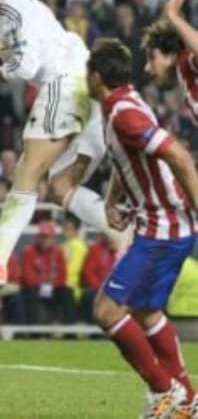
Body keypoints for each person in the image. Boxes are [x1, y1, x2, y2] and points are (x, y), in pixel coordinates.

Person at [0, 0, 120, 288]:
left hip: (66, 82)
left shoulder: (11, 11)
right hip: (84, 85)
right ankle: (124, 235)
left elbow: (27, 68)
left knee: (25, 172)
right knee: (60, 188)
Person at [87, 38, 198, 418]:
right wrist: (111, 198)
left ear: (96, 75)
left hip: (163, 227)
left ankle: (164, 393)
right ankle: (186, 397)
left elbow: (179, 155)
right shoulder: (123, 102)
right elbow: (126, 158)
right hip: (163, 223)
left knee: (107, 310)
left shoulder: (123, 113)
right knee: (147, 311)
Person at [144, 0, 197, 122]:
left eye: (152, 58)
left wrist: (173, 15)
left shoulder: (185, 62)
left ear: (171, 55)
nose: (148, 68)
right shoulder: (186, 80)